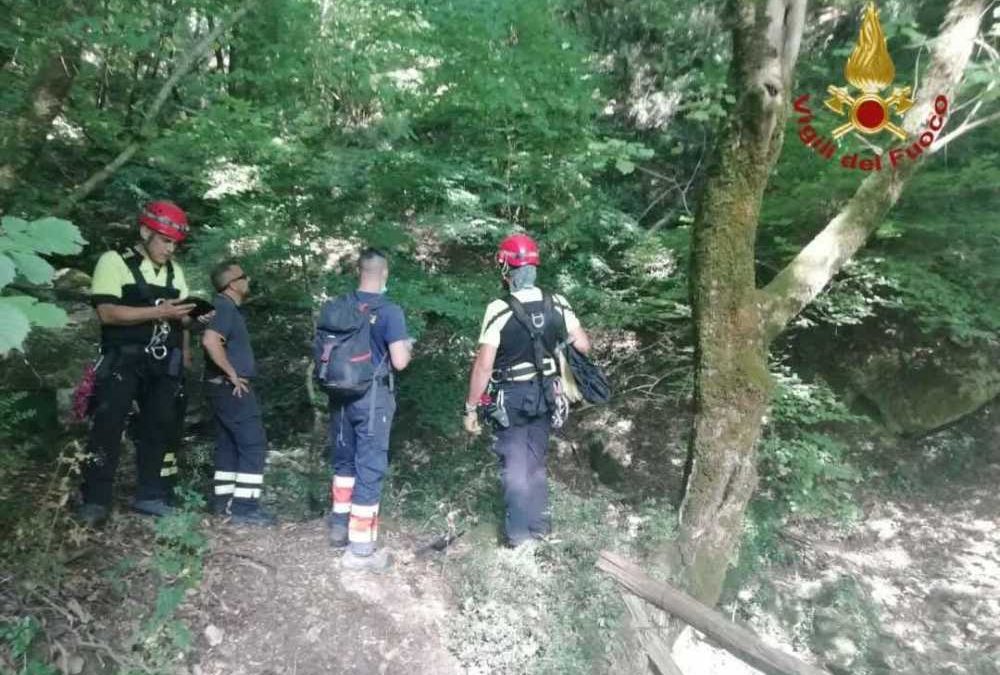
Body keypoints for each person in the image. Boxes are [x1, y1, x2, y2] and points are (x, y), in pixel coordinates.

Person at [462, 233, 591, 547]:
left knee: (514, 462)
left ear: (506, 269)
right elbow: (584, 345)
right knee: (535, 459)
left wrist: (470, 407)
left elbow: (483, 366)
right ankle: (540, 528)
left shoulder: (499, 308)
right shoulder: (557, 302)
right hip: (548, 392)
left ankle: (519, 537)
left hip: (511, 395)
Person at [76, 201, 196, 527]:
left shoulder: (175, 271)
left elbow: (181, 317)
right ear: (145, 232)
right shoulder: (114, 262)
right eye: (165, 240)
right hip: (122, 360)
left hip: (163, 364)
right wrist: (161, 312)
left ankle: (150, 495)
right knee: (108, 426)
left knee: (159, 426)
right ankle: (95, 499)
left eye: (175, 243)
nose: (170, 249)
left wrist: (186, 342)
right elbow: (108, 312)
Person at [324, 248, 411, 570]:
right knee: (370, 466)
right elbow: (399, 362)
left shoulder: (339, 305)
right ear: (384, 273)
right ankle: (361, 549)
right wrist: (407, 347)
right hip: (372, 399)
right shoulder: (389, 311)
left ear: (358, 271)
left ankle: (338, 529)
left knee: (344, 463)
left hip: (339, 396)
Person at [202, 260, 275, 526]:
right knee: (253, 444)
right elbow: (211, 341)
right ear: (232, 284)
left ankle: (224, 504)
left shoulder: (221, 307)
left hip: (219, 387)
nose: (249, 279)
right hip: (232, 387)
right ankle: (245, 508)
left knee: (228, 444)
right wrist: (232, 373)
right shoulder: (224, 307)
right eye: (244, 276)